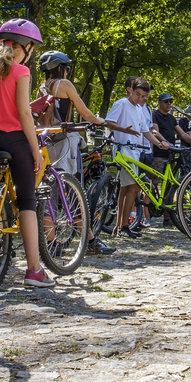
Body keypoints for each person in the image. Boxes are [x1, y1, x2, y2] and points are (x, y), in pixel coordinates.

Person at [0, 19, 55, 287]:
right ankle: (34, 270)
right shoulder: (21, 71)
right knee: (26, 200)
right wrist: (35, 151)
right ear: (25, 47)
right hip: (15, 140)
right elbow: (24, 113)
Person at [35, 50, 116, 254]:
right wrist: (101, 121)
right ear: (60, 68)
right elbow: (85, 113)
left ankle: (51, 245)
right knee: (74, 191)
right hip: (66, 143)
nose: (68, 71)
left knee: (49, 192)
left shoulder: (41, 89)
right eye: (67, 68)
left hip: (47, 143)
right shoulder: (65, 85)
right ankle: (90, 242)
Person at [106, 77, 168, 237]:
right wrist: (124, 130)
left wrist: (159, 143)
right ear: (130, 89)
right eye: (138, 94)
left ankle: (120, 226)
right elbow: (108, 122)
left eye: (143, 97)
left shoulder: (139, 109)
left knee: (126, 188)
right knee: (134, 187)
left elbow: (145, 131)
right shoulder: (121, 103)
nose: (140, 98)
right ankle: (124, 226)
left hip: (135, 152)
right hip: (123, 151)